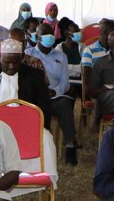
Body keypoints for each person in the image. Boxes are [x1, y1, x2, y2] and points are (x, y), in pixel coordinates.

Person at [25, 23, 77, 164]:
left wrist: (55, 91)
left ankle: (70, 145)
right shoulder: (28, 54)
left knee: (65, 103)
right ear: (38, 37)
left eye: (51, 34)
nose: (49, 37)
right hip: (34, 98)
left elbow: (65, 82)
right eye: (45, 35)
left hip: (53, 96)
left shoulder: (61, 56)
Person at [0, 39, 51, 123]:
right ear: (0, 58)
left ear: (22, 58)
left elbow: (44, 107)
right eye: (7, 62)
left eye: (15, 62)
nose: (11, 67)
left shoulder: (35, 76)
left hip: (23, 120)